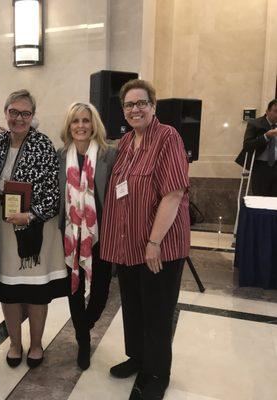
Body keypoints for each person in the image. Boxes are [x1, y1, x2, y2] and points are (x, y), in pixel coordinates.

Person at [100, 79, 190, 400]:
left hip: (158, 246)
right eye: (129, 105)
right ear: (123, 111)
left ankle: (157, 372)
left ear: (153, 106)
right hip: (128, 245)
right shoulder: (126, 143)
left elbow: (174, 192)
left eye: (141, 103)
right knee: (134, 307)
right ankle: (137, 357)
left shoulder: (167, 138)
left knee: (156, 311)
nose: (135, 109)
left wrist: (154, 242)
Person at [0, 89, 67, 369]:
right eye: (14, 112)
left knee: (36, 292)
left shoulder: (43, 144)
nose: (19, 118)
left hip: (35, 227)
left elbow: (53, 192)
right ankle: (14, 343)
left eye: (25, 113)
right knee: (9, 290)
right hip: (2, 228)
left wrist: (31, 214)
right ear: (6, 113)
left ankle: (36, 344)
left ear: (32, 116)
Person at [57, 102, 117, 370]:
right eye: (75, 121)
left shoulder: (109, 155)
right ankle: (83, 340)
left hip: (100, 234)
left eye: (85, 120)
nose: (81, 126)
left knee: (101, 291)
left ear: (94, 125)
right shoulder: (60, 157)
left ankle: (85, 322)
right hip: (70, 235)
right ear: (69, 126)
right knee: (74, 288)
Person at [235, 99, 277, 196]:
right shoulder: (255, 123)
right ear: (267, 111)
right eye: (276, 111)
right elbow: (247, 145)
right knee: (260, 198)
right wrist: (266, 136)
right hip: (261, 167)